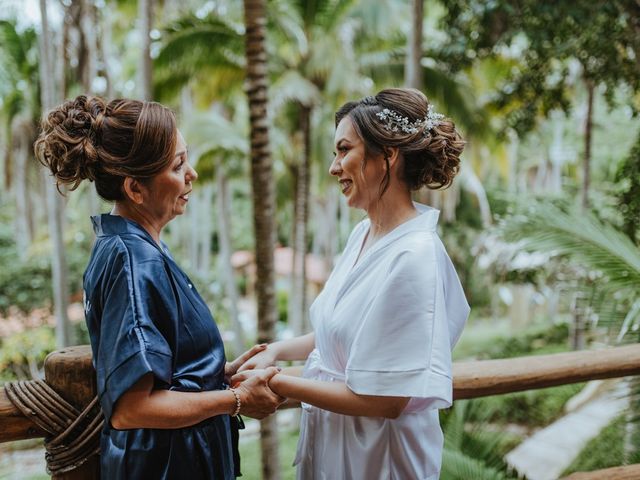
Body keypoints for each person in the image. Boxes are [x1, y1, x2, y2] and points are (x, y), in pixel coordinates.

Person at [34, 95, 283, 479]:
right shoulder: (133, 260)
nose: (192, 174)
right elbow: (133, 408)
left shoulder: (133, 247)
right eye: (178, 165)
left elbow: (161, 367)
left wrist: (217, 374)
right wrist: (235, 400)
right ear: (135, 189)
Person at [235, 88, 470, 479]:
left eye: (344, 150)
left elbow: (387, 399)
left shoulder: (414, 258)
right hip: (334, 445)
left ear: (387, 157)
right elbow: (338, 331)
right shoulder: (363, 235)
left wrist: (278, 382)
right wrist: (275, 350)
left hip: (380, 458)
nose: (334, 167)